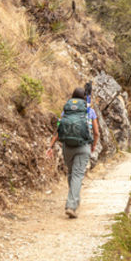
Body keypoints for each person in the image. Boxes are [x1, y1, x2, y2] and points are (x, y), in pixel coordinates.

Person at [45, 87, 100, 218]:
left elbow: (60, 129)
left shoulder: (67, 111)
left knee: (71, 173)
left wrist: (51, 145)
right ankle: (71, 205)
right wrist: (93, 145)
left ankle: (74, 199)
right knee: (77, 175)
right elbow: (97, 132)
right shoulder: (90, 111)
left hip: (67, 146)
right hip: (83, 146)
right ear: (84, 98)